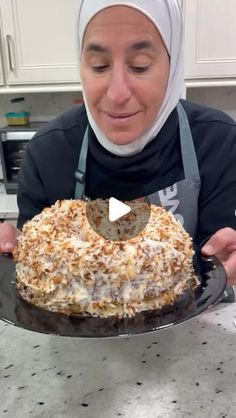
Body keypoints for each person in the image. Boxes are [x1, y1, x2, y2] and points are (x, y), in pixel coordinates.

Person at [0, 0, 236, 288]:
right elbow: (36, 269)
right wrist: (12, 251)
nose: (117, 93)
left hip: (196, 326)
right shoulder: (47, 153)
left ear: (173, 65)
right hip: (73, 328)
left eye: (140, 66)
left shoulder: (217, 141)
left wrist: (228, 260)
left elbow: (218, 258)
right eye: (99, 66)